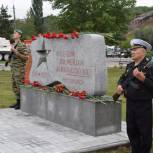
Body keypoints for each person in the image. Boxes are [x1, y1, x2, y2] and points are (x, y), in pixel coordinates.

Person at [115, 39, 153, 153]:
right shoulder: (130, 66)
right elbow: (122, 78)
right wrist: (119, 86)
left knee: (144, 133)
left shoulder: (150, 66)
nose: (132, 52)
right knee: (131, 130)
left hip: (143, 105)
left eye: (135, 50)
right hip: (130, 104)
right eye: (132, 50)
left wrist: (143, 79)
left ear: (143, 51)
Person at [9, 29, 29, 109]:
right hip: (14, 69)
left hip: (20, 70)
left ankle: (22, 103)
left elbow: (26, 57)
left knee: (20, 86)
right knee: (14, 86)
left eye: (15, 33)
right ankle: (17, 102)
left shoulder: (22, 45)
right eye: (13, 33)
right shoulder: (14, 44)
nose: (14, 34)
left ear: (19, 35)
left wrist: (16, 52)